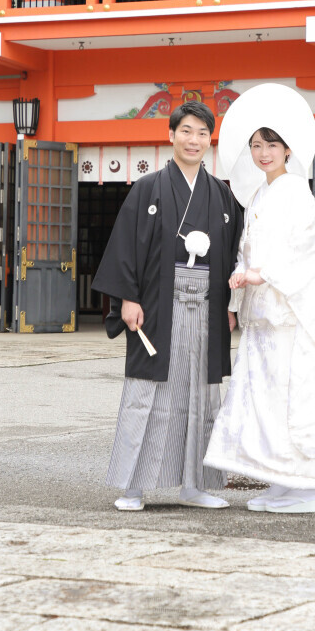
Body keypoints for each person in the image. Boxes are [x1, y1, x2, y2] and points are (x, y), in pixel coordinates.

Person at [205, 83, 315, 514]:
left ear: (288, 149)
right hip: (262, 314)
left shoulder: (298, 195)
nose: (263, 152)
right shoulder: (259, 197)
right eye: (255, 145)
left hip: (288, 315)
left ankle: (304, 488)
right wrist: (239, 281)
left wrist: (261, 273)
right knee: (263, 399)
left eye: (271, 143)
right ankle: (281, 482)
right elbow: (246, 251)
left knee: (292, 396)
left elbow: (306, 251)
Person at [93, 101, 242, 512]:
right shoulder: (148, 189)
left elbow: (230, 256)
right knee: (148, 393)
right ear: (171, 135)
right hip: (157, 306)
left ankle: (196, 485)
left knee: (202, 396)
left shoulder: (222, 197)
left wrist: (231, 305)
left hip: (208, 309)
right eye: (187, 131)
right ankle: (133, 486)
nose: (194, 140)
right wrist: (127, 297)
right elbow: (126, 247)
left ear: (209, 140)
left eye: (202, 133)